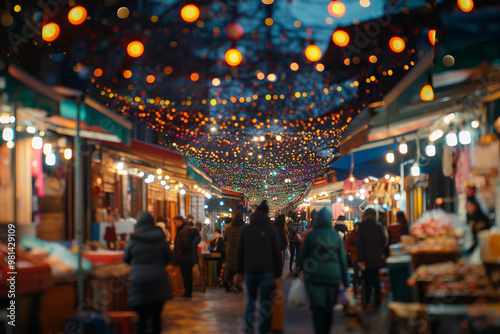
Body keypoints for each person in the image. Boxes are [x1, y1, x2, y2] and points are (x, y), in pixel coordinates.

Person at [296, 207, 348, 334]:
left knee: (317, 308)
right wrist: (346, 282)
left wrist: (297, 273)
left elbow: (302, 257)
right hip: (333, 278)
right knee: (329, 309)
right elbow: (342, 260)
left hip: (314, 277)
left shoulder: (311, 235)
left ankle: (319, 331)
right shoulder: (335, 236)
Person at [235, 200, 282, 334]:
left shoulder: (247, 229)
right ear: (267, 214)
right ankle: (263, 329)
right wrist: (278, 274)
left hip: (250, 271)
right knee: (265, 302)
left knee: (251, 299)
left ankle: (249, 327)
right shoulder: (271, 229)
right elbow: (277, 253)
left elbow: (240, 252)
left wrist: (239, 271)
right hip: (267, 271)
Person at [124, 212, 173, 334]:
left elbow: (126, 258)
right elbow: (169, 257)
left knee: (142, 319)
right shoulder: (160, 238)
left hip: (139, 281)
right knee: (156, 317)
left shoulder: (134, 238)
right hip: (159, 281)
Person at [358, 208, 388, 311]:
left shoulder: (362, 227)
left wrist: (361, 259)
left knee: (367, 282)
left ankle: (366, 303)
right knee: (376, 281)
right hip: (377, 259)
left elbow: (360, 245)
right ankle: (377, 304)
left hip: (365, 259)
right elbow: (384, 241)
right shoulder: (378, 226)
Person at [172, 215, 201, 298]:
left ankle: (188, 293)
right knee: (187, 276)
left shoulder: (183, 230)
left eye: (176, 222)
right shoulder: (184, 229)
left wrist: (179, 250)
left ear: (180, 221)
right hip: (187, 257)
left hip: (185, 258)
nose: (175, 224)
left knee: (186, 276)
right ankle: (188, 292)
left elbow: (186, 243)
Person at [223, 211, 245, 292]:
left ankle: (228, 283)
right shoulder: (244, 228)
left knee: (230, 268)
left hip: (230, 251)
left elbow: (225, 240)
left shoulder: (228, 228)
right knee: (239, 269)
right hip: (241, 251)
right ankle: (236, 284)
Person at [345, 223, 361, 296]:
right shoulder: (352, 235)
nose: (357, 228)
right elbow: (347, 246)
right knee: (356, 273)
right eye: (356, 227)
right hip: (354, 256)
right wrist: (355, 249)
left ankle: (359, 289)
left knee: (360, 273)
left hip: (361, 256)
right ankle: (355, 289)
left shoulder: (362, 234)